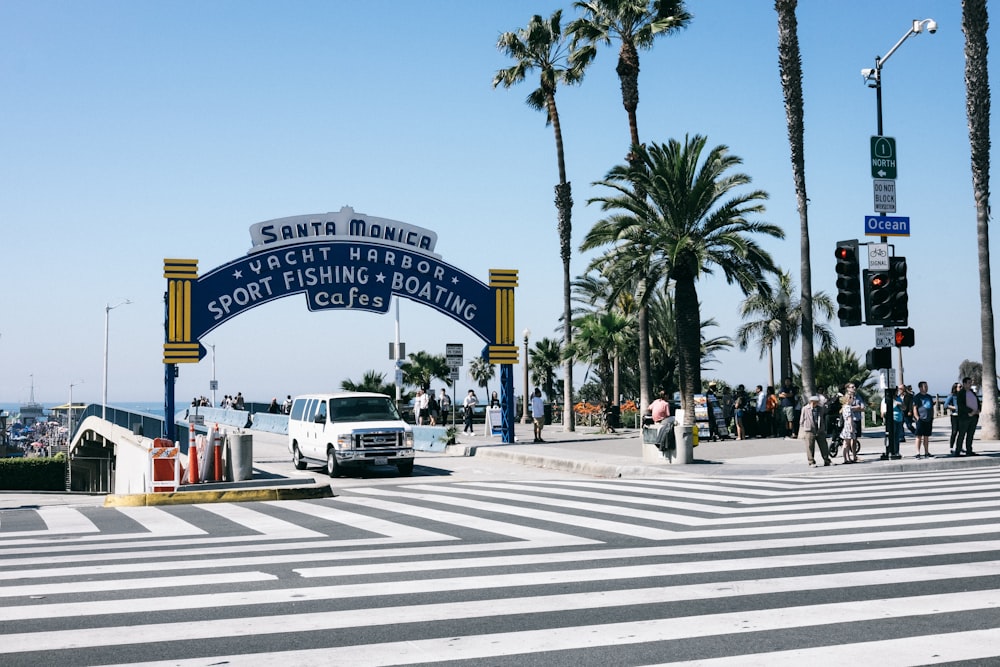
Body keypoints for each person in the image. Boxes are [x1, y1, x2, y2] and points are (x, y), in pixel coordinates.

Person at [799, 395, 831, 467]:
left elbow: (823, 416)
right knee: (810, 446)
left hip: (819, 429)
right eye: (815, 402)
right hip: (809, 429)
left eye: (817, 402)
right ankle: (811, 461)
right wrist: (803, 430)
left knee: (824, 445)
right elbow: (801, 420)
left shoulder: (820, 408)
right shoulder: (805, 408)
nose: (816, 404)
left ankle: (826, 460)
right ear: (811, 402)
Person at [954, 377, 981, 456]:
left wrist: (978, 409)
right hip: (965, 417)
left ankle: (969, 450)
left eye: (971, 382)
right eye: (969, 382)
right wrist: (970, 411)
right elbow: (961, 405)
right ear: (964, 384)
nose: (970, 384)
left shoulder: (972, 392)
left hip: (974, 416)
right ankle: (958, 451)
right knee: (962, 434)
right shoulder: (961, 393)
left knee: (970, 434)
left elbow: (977, 401)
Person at [911, 381, 935, 458]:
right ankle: (918, 452)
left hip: (928, 419)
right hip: (921, 419)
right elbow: (914, 408)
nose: (926, 388)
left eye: (927, 386)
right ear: (920, 387)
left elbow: (931, 407)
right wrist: (917, 417)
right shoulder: (917, 397)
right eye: (925, 386)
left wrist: (932, 416)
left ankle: (926, 452)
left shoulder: (929, 396)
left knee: (926, 436)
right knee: (919, 436)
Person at [839, 387, 859, 464]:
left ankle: (847, 458)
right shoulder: (847, 407)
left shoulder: (845, 407)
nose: (853, 399)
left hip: (846, 425)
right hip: (848, 426)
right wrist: (851, 427)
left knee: (846, 443)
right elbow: (849, 418)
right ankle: (846, 458)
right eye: (851, 398)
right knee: (846, 443)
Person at [944, 382, 961, 451]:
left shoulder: (963, 395)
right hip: (955, 416)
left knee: (961, 432)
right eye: (959, 387)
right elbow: (945, 405)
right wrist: (954, 408)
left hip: (962, 415)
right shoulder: (952, 396)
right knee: (954, 431)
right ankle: (951, 447)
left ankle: (959, 446)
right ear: (955, 388)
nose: (961, 388)